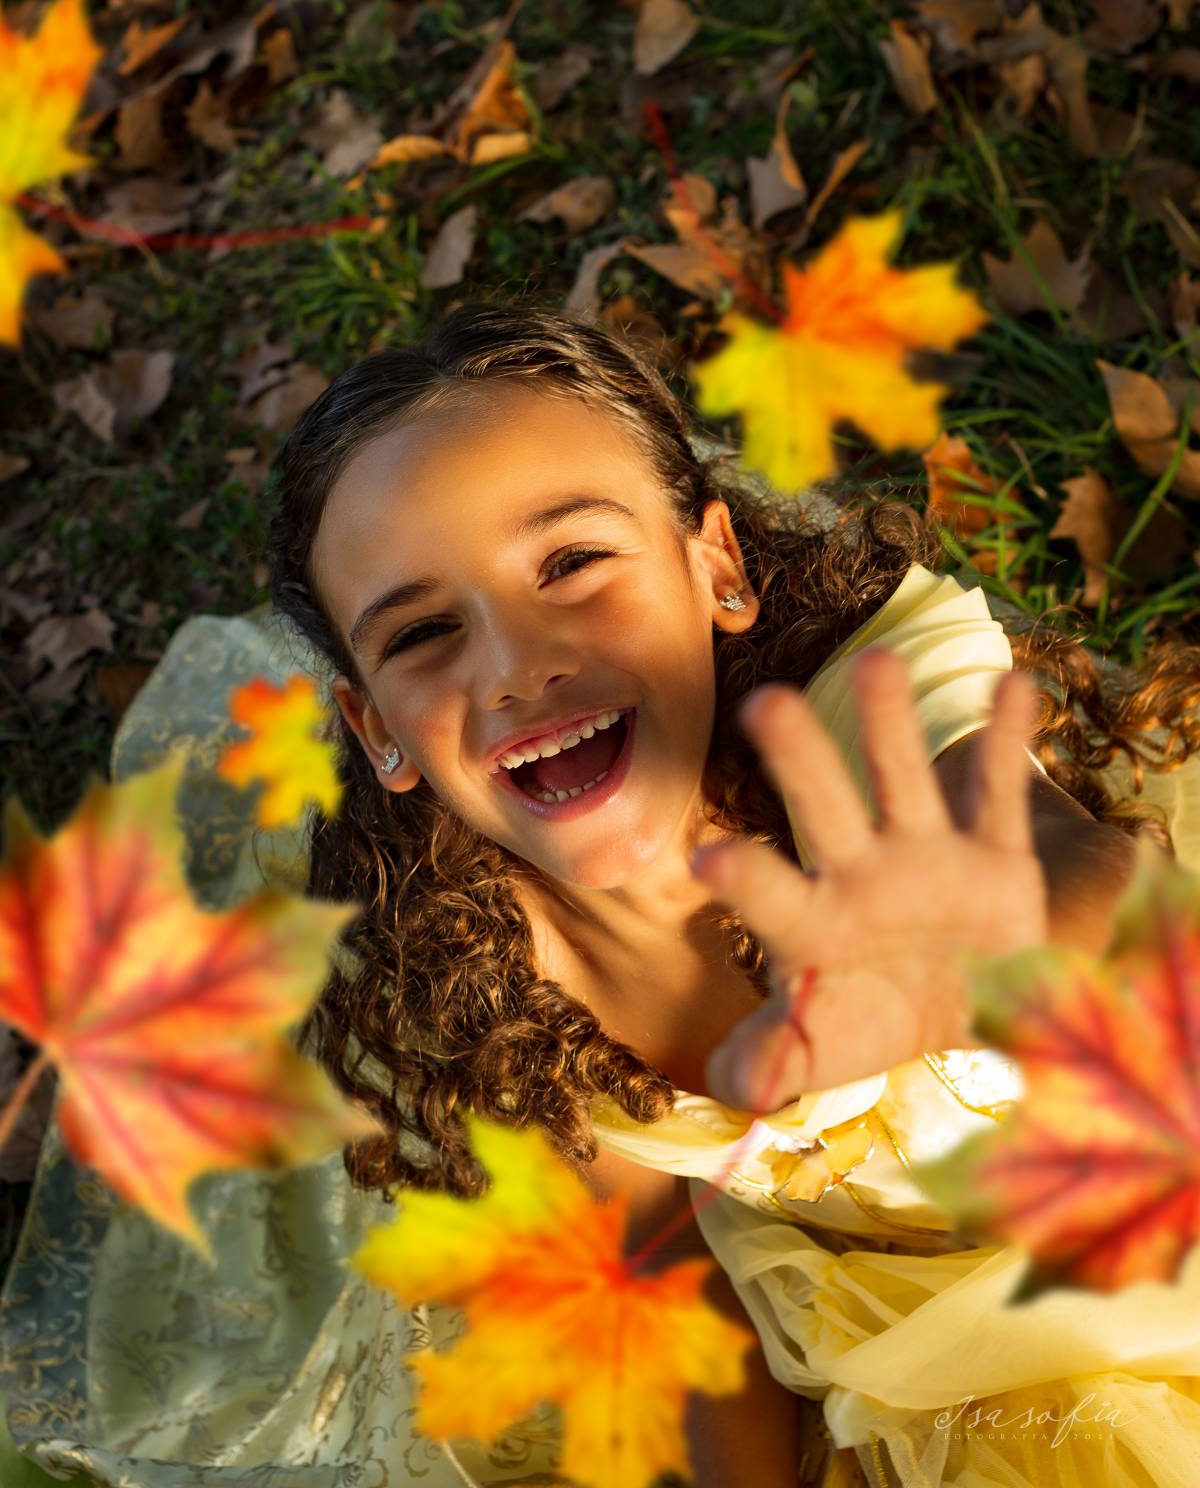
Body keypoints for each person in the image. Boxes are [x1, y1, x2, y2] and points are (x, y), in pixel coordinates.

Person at [3, 297, 1200, 1487]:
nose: (520, 664)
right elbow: (675, 1264)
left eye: (572, 562)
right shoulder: (484, 968)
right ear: (379, 734)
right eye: (423, 632)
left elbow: (1084, 872)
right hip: (867, 1347)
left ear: (716, 568)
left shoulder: (860, 701)